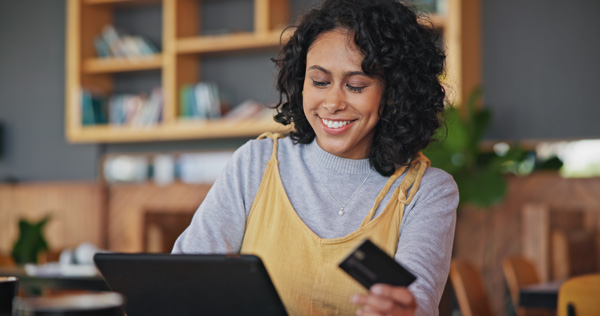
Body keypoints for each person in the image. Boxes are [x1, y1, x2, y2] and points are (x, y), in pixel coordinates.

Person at [172, 0, 458, 315]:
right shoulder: (256, 163)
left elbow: (419, 303)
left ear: (394, 94)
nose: (332, 102)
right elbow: (185, 277)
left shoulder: (427, 191)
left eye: (356, 85)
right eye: (319, 82)